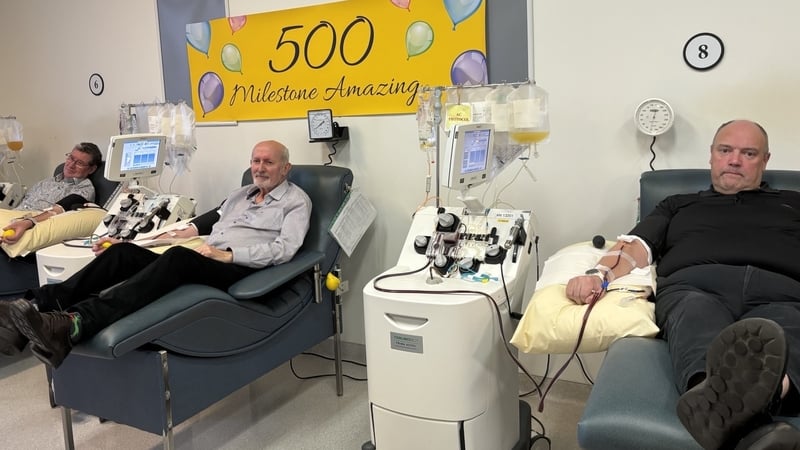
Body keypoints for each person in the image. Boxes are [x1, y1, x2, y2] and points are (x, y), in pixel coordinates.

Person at [565, 120, 800, 449]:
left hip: (784, 293)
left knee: (788, 328)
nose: (734, 160)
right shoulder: (678, 204)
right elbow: (636, 247)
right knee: (695, 313)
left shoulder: (793, 202)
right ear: (711, 156)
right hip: (697, 287)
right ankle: (753, 414)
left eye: (748, 153)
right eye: (725, 150)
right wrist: (598, 275)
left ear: (765, 160)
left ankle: (722, 411)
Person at [0, 140, 311, 368]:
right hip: (207, 257)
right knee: (122, 254)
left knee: (178, 258)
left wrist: (230, 255)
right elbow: (199, 224)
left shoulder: (296, 202)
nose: (259, 168)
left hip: (240, 267)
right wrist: (144, 241)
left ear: (286, 168)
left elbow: (284, 249)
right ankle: (34, 306)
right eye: (255, 161)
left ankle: (74, 323)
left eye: (268, 162)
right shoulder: (240, 195)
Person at [0, 142, 103, 245]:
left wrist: (27, 222)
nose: (71, 165)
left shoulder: (84, 190)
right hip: (12, 217)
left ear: (91, 169)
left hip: (28, 227)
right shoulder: (46, 182)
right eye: (71, 158)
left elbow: (58, 214)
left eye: (79, 163)